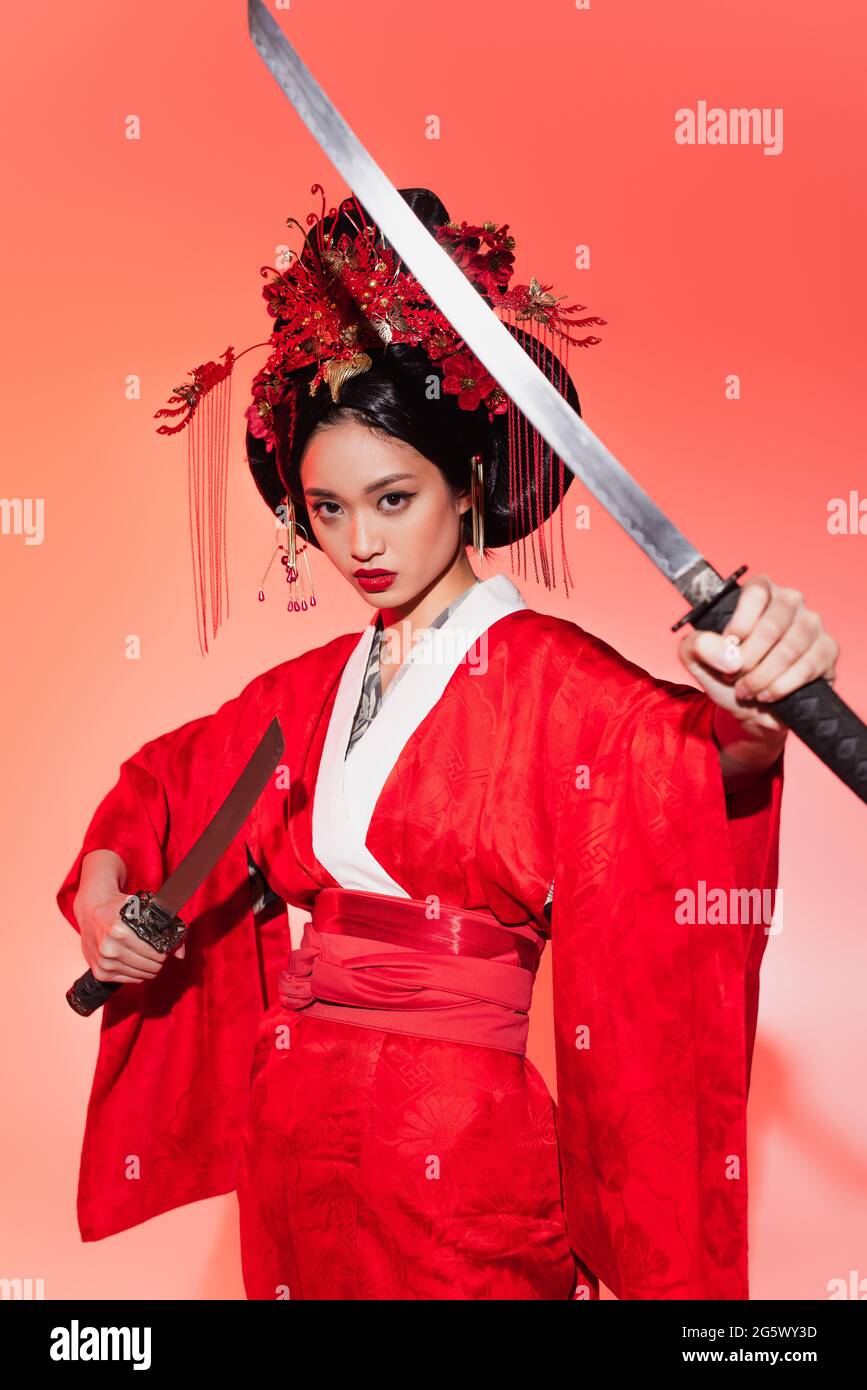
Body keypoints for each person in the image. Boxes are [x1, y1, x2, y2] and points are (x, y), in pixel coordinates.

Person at [56, 186, 837, 1300]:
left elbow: (691, 764)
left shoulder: (556, 681)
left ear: (467, 483)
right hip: (290, 1141)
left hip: (460, 1163)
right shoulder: (301, 696)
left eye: (392, 497)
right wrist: (107, 901)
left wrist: (764, 704)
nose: (361, 543)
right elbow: (164, 797)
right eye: (327, 509)